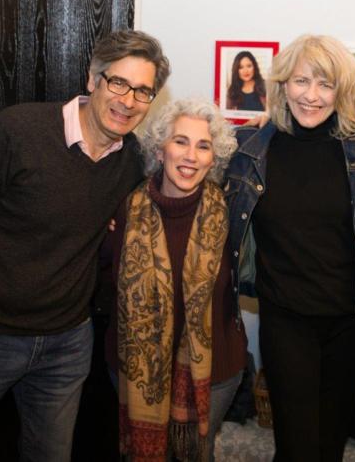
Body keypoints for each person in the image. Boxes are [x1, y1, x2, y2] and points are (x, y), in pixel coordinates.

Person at [0, 29, 170, 462]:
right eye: (118, 82)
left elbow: (176, 182)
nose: (128, 100)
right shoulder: (16, 130)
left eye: (143, 91)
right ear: (93, 79)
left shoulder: (132, 161)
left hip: (67, 342)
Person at [225, 34, 355, 461]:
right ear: (282, 85)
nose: (312, 96)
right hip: (285, 319)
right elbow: (187, 166)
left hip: (350, 321)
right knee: (295, 443)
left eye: (325, 84)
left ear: (342, 91)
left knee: (331, 441)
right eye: (301, 81)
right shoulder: (253, 147)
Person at [102, 98, 246, 461]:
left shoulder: (232, 214)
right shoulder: (123, 210)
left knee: (197, 453)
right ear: (160, 147)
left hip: (214, 374)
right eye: (180, 141)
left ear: (215, 157)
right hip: (134, 370)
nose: (190, 156)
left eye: (203, 146)